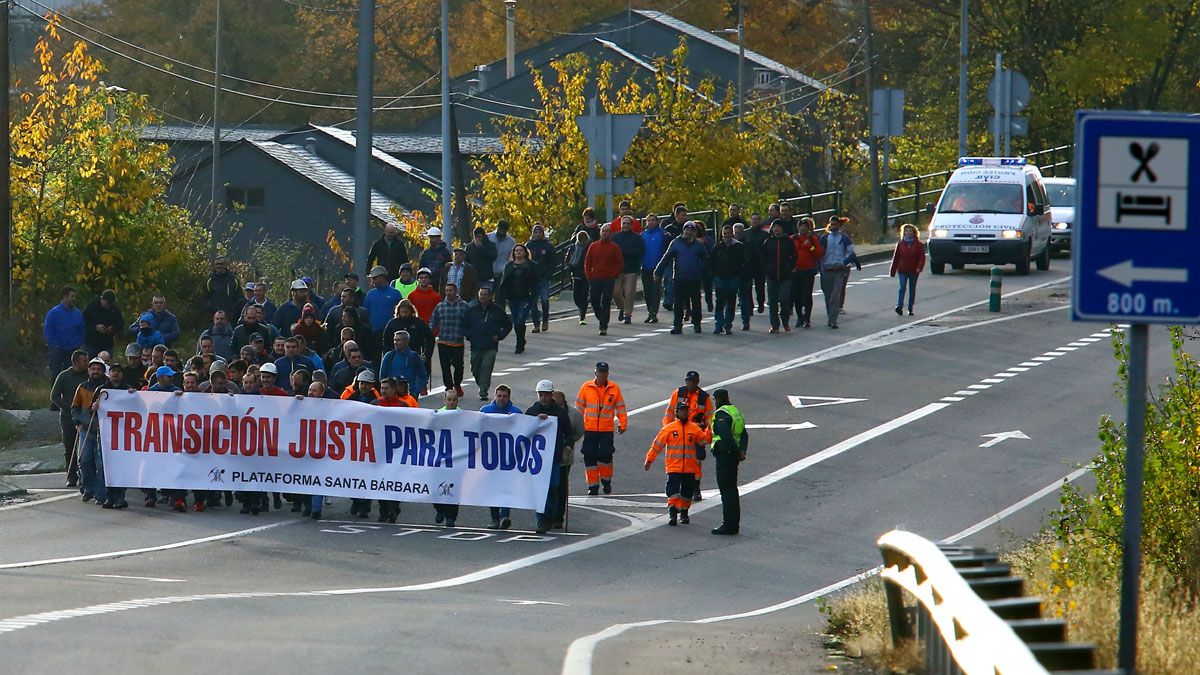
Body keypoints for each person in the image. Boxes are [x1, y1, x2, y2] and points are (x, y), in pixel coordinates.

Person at [644, 401, 706, 526]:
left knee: (687, 493)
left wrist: (707, 428)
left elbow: (704, 440)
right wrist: (649, 460)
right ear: (677, 412)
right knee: (672, 490)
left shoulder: (694, 428)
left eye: (686, 410)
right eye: (682, 410)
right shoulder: (669, 428)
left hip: (689, 468)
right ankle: (672, 513)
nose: (684, 412)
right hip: (674, 467)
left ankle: (684, 513)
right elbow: (657, 445)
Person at [526, 379, 572, 533]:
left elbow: (569, 432)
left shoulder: (560, 413)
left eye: (546, 394)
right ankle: (541, 521)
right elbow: (523, 428)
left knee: (553, 488)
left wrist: (568, 446)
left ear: (551, 394)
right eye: (541, 394)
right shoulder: (532, 411)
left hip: (554, 457)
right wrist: (535, 420)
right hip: (537, 458)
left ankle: (550, 517)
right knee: (540, 489)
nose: (543, 397)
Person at [575, 362, 627, 495]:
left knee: (606, 456)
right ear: (595, 373)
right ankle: (593, 486)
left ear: (607, 373)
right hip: (590, 429)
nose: (602, 374)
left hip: (606, 430)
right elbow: (579, 408)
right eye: (600, 371)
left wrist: (623, 423)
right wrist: (576, 424)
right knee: (589, 456)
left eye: (604, 372)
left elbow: (620, 407)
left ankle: (606, 481)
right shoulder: (586, 387)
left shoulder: (614, 388)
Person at [662, 370, 715, 501]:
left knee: (696, 462)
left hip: (696, 434)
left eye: (694, 381)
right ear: (686, 381)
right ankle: (679, 485)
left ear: (697, 382)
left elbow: (710, 419)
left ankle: (695, 488)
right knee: (677, 460)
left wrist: (706, 437)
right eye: (689, 381)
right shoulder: (678, 393)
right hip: (678, 433)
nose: (691, 383)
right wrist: (667, 430)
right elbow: (668, 414)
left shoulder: (704, 397)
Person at [371, 376, 416, 523]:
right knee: (380, 480)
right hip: (379, 449)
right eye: (382, 388)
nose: (383, 391)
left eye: (386, 388)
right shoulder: (374, 404)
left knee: (395, 481)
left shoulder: (402, 406)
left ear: (393, 389)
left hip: (397, 450)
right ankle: (384, 510)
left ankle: (394, 508)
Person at [654, 222, 707, 335]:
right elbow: (666, 258)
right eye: (686, 230)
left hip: (694, 279)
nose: (688, 232)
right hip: (679, 278)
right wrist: (658, 272)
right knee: (678, 304)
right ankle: (677, 325)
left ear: (694, 232)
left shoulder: (698, 245)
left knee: (696, 303)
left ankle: (697, 323)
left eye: (691, 230)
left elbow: (705, 260)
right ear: (683, 230)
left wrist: (704, 273)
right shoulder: (676, 243)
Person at [480, 384, 521, 528]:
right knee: (492, 488)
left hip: (509, 458)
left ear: (509, 397)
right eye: (499, 396)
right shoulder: (485, 411)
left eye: (504, 396)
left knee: (506, 487)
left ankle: (505, 516)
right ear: (495, 396)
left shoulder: (517, 413)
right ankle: (494, 518)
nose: (502, 399)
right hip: (490, 458)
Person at [709, 388, 747, 535]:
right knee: (732, 490)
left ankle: (728, 525)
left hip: (725, 456)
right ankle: (733, 524)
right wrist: (742, 452)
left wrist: (736, 453)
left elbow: (725, 437)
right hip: (733, 456)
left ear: (717, 400)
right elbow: (744, 434)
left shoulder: (721, 414)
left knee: (726, 491)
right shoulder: (735, 411)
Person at [72, 358, 110, 505]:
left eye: (98, 369)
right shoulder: (82, 387)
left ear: (102, 371)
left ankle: (101, 494)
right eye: (93, 369)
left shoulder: (108, 387)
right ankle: (88, 488)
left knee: (101, 464)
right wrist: (77, 421)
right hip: (86, 429)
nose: (95, 372)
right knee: (84, 460)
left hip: (104, 430)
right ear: (88, 370)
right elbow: (75, 407)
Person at [463, 286, 511, 401]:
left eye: (485, 294)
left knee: (486, 368)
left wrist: (499, 336)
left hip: (490, 346)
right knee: (475, 369)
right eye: (481, 294)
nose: (483, 296)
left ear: (490, 296)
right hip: (476, 345)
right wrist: (469, 335)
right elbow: (464, 325)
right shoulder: (472, 310)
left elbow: (508, 325)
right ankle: (482, 384)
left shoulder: (497, 310)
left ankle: (483, 391)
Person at [51, 350, 88, 487]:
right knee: (70, 447)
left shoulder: (88, 375)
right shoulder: (64, 376)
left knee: (85, 447)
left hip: (85, 415)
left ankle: (86, 475)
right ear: (76, 362)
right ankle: (71, 476)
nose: (87, 363)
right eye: (85, 361)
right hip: (67, 417)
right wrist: (68, 407)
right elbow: (54, 396)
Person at [497, 243, 538, 354]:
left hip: (526, 297)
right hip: (512, 297)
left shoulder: (531, 265)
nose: (518, 252)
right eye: (516, 251)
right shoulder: (509, 266)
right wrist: (502, 294)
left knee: (521, 319)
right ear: (513, 253)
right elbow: (504, 281)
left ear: (525, 252)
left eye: (521, 250)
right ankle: (521, 339)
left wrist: (534, 294)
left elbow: (535, 281)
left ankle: (519, 343)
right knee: (516, 321)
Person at [818, 216, 858, 329]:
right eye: (831, 224)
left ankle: (833, 320)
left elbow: (851, 253)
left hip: (839, 270)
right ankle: (830, 317)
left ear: (839, 226)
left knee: (835, 296)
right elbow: (819, 253)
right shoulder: (824, 238)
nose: (833, 227)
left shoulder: (844, 238)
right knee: (828, 296)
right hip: (826, 270)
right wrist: (820, 267)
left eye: (835, 224)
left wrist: (843, 262)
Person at [429, 282, 468, 397]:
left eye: (451, 290)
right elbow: (433, 320)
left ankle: (457, 384)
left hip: (457, 341)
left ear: (456, 292)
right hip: (443, 341)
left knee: (458, 366)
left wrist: (468, 333)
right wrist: (429, 332)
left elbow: (469, 321)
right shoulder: (440, 306)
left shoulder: (464, 306)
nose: (448, 293)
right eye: (446, 291)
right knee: (445, 366)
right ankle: (449, 386)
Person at [584, 223, 623, 336]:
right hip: (595, 278)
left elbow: (619, 263)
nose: (605, 233)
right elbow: (587, 262)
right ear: (600, 232)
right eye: (603, 231)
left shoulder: (614, 247)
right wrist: (589, 275)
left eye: (607, 231)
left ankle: (603, 325)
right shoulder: (593, 246)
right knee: (594, 300)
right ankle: (601, 316)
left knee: (606, 300)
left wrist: (613, 274)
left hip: (608, 278)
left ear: (611, 233)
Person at [709, 224, 748, 335]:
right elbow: (711, 261)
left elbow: (744, 261)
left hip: (733, 278)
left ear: (732, 234)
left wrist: (740, 274)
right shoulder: (718, 247)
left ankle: (728, 324)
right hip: (720, 278)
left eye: (728, 233)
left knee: (731, 302)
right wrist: (714, 274)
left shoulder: (738, 246)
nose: (726, 236)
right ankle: (719, 324)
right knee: (720, 302)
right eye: (724, 234)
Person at [552, 390, 583, 530]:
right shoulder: (548, 410)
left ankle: (559, 517)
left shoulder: (574, 414)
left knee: (562, 486)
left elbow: (578, 431)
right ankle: (549, 515)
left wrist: (568, 442)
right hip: (549, 455)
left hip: (565, 456)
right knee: (551, 486)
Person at [432, 389, 462, 527]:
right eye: (449, 399)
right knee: (437, 485)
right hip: (440, 457)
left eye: (454, 399)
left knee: (453, 488)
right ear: (444, 400)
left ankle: (451, 517)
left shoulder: (463, 416)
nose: (451, 402)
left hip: (456, 458)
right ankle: (440, 510)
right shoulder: (437, 415)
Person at [762, 221, 797, 334]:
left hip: (785, 276)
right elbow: (764, 257)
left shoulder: (788, 242)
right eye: (774, 227)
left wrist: (789, 267)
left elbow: (794, 256)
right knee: (772, 301)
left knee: (784, 299)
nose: (776, 229)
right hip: (772, 276)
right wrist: (767, 269)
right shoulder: (768, 242)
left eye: (778, 227)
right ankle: (775, 325)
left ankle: (785, 321)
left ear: (782, 229)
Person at [611, 215, 645, 325]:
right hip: (618, 269)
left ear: (631, 225)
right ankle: (622, 308)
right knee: (616, 293)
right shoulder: (615, 237)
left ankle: (627, 314)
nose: (625, 225)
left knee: (630, 292)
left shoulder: (637, 238)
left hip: (631, 269)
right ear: (621, 224)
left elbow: (640, 251)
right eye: (624, 223)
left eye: (628, 223)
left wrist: (626, 253)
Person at [44, 286, 84, 378]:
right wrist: (54, 344)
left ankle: (68, 392)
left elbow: (81, 330)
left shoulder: (77, 313)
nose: (74, 299)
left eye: (75, 297)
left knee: (70, 374)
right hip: (57, 348)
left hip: (72, 348)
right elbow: (48, 329)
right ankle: (55, 392)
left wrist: (78, 343)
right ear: (65, 297)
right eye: (72, 296)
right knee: (56, 373)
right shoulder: (54, 312)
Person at [791, 217, 824, 329]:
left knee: (807, 294)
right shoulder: (793, 239)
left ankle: (807, 319)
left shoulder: (813, 239)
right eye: (801, 226)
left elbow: (819, 253)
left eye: (805, 226)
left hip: (808, 270)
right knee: (796, 295)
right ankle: (799, 318)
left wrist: (810, 246)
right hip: (796, 271)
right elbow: (788, 253)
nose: (803, 228)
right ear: (798, 227)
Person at [890, 223, 926, 316]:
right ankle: (899, 306)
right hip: (902, 270)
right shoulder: (900, 244)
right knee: (902, 288)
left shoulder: (918, 245)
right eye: (906, 231)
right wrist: (892, 271)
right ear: (904, 233)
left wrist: (919, 268)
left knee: (912, 289)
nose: (908, 233)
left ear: (914, 233)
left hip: (914, 270)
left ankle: (910, 308)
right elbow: (896, 258)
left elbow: (922, 258)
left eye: (910, 231)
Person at [378, 331, 429, 395]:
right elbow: (382, 376)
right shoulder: (389, 356)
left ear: (406, 341)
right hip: (393, 395)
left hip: (410, 394)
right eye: (394, 340)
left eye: (398, 340)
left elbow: (424, 376)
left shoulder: (414, 357)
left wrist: (416, 391)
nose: (395, 343)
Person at [640, 213, 669, 324]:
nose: (651, 222)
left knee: (655, 290)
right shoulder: (642, 235)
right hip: (645, 266)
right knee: (647, 291)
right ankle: (649, 311)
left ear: (657, 221)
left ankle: (653, 313)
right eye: (649, 220)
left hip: (657, 267)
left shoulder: (663, 234)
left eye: (653, 220)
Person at [526, 223, 554, 333]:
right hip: (532, 278)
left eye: (539, 232)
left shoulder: (548, 246)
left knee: (544, 299)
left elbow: (552, 262)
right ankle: (536, 324)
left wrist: (548, 273)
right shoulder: (529, 245)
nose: (537, 234)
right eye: (535, 232)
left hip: (544, 277)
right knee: (533, 302)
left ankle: (545, 320)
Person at [82, 289, 123, 358]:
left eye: (110, 304)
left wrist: (112, 328)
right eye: (107, 303)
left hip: (107, 345)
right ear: (102, 299)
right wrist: (95, 327)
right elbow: (83, 322)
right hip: (91, 344)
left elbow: (120, 325)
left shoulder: (115, 310)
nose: (108, 306)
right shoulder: (91, 307)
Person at [364, 265, 402, 334]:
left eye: (374, 278)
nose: (372, 282)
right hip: (374, 332)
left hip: (392, 332)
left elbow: (400, 313)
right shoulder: (370, 294)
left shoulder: (395, 293)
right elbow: (366, 313)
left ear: (382, 277)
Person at [567, 230, 591, 325]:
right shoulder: (573, 247)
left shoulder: (590, 247)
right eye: (581, 240)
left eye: (584, 240)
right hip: (576, 273)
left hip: (586, 274)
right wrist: (570, 266)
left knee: (583, 296)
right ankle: (581, 307)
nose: (582, 242)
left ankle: (582, 315)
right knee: (576, 296)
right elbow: (568, 259)